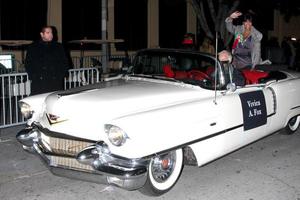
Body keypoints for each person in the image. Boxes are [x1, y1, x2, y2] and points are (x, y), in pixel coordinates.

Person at [25, 26, 70, 95]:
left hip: (55, 82)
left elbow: (65, 62)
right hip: (39, 83)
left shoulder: (58, 46)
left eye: (51, 32)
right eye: (48, 32)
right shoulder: (33, 47)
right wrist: (34, 76)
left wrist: (60, 76)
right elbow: (28, 63)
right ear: (42, 34)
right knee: (39, 101)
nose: (51, 35)